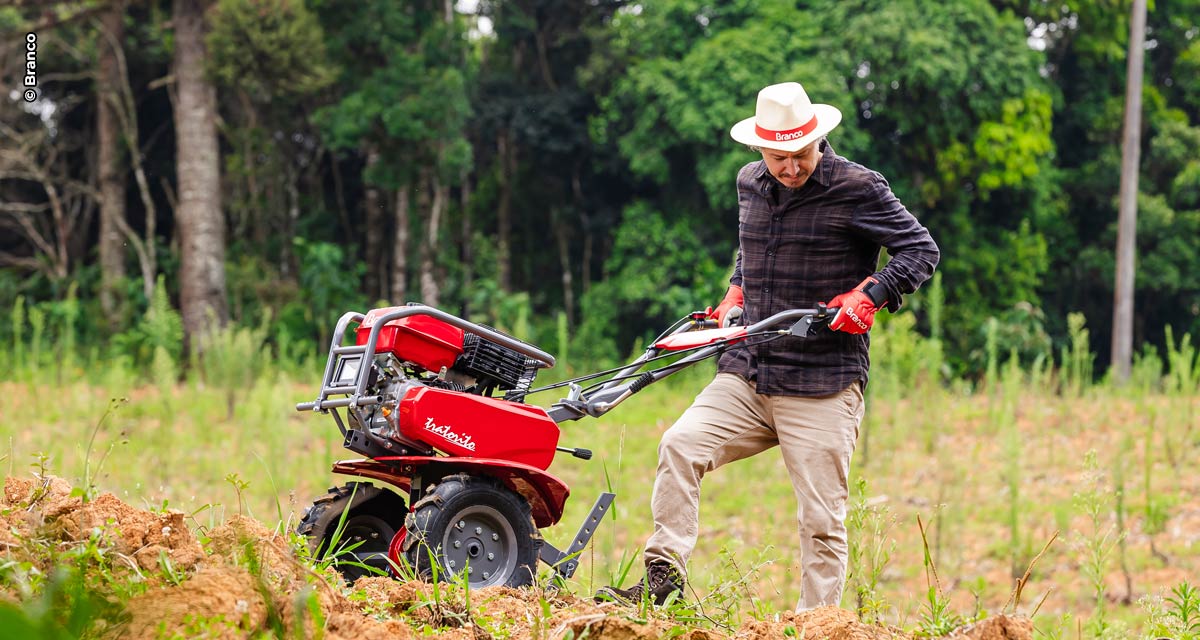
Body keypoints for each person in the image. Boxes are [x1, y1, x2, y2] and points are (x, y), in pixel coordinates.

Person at [596, 81, 940, 610]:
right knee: (679, 447)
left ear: (817, 141)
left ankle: (816, 622)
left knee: (822, 519)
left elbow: (920, 250)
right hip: (749, 369)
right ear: (759, 149)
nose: (790, 168)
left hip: (822, 382)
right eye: (778, 157)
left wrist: (870, 293)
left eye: (799, 155)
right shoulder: (749, 183)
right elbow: (751, 247)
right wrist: (737, 287)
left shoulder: (858, 187)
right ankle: (663, 578)